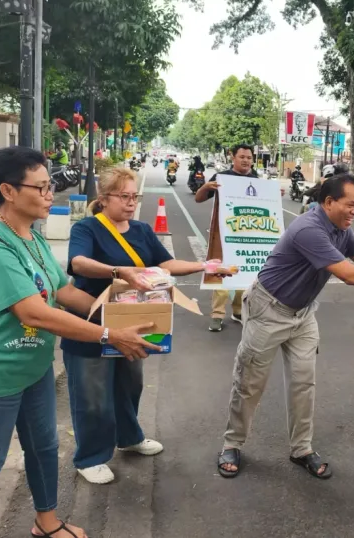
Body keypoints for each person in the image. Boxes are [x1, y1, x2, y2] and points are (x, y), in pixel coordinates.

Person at [0, 148, 156, 538]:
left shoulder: (30, 236)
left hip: (33, 369)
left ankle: (47, 524)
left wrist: (120, 306)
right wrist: (110, 335)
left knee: (43, 450)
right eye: (41, 186)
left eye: (50, 185)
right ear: (8, 190)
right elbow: (35, 314)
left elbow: (64, 293)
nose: (50, 193)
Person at [217, 174, 354, 479]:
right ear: (329, 202)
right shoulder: (309, 228)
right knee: (249, 383)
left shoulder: (341, 228)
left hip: (302, 314)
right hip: (268, 309)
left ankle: (301, 448)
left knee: (304, 384)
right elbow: (351, 275)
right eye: (350, 205)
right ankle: (232, 443)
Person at [64, 168, 209, 485]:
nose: (131, 203)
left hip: (132, 321)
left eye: (134, 196)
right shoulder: (88, 228)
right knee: (93, 394)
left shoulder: (142, 230)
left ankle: (129, 437)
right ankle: (90, 457)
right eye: (124, 196)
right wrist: (121, 271)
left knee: (130, 383)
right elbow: (78, 263)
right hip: (91, 321)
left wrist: (204, 265)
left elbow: (166, 263)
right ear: (103, 199)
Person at [195, 143, 259, 332]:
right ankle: (217, 314)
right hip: (222, 235)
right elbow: (199, 199)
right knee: (221, 274)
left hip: (247, 235)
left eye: (249, 157)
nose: (246, 160)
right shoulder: (222, 178)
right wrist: (206, 186)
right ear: (233, 157)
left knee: (243, 273)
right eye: (242, 157)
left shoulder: (256, 180)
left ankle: (238, 311)